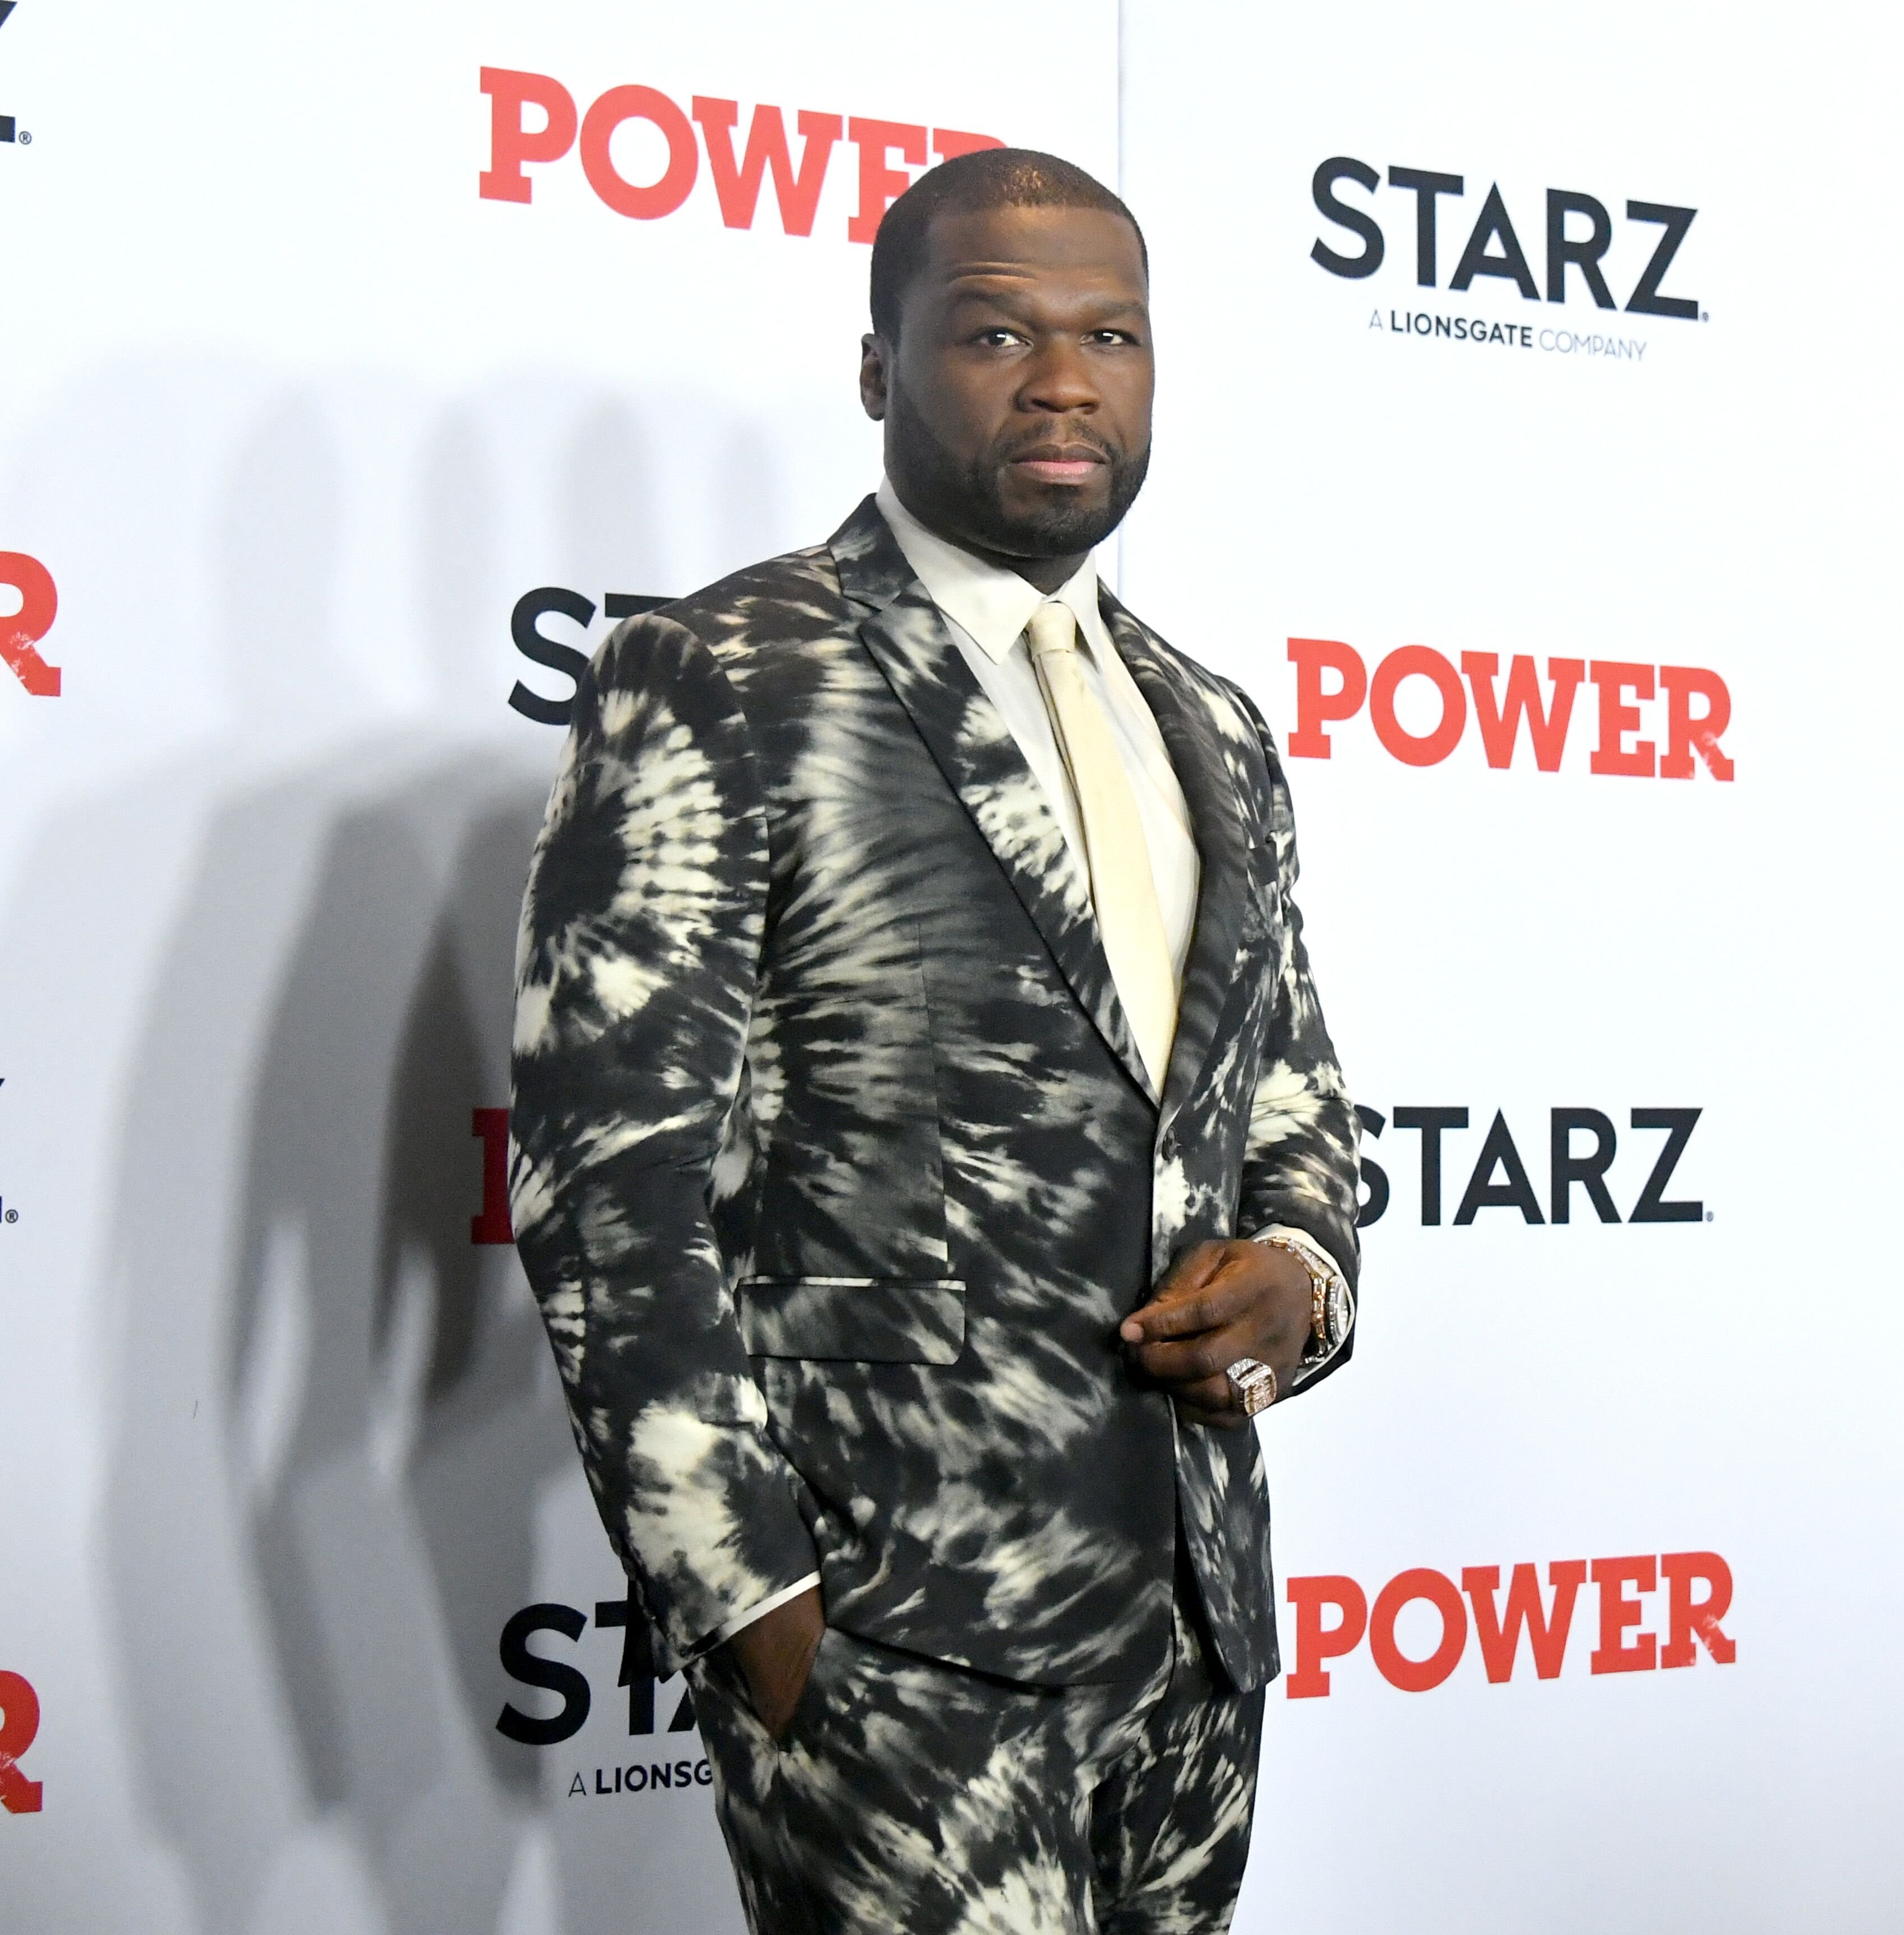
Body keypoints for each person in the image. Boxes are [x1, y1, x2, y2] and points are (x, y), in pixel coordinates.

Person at [505, 147, 1359, 1933]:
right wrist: (754, 1608)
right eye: (996, 332)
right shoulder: (726, 673)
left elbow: (1289, 1097)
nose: (1065, 379)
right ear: (881, 371)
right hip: (894, 1647)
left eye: (1110, 335)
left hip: (1196, 1633)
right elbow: (607, 1196)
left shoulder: (1214, 724)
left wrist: (1299, 1272)